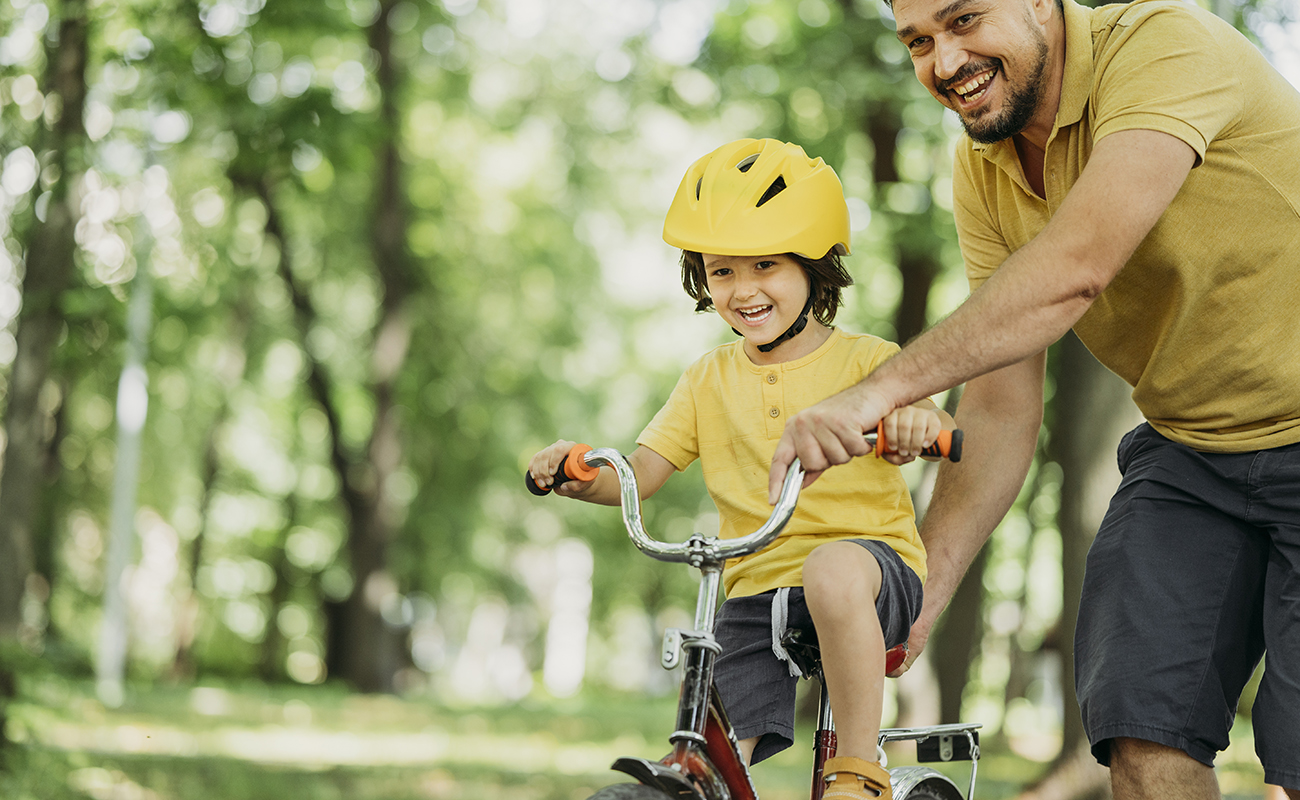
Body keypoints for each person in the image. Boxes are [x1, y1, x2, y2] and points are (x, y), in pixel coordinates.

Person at [766, 0, 1300, 797]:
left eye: (965, 19)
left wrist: (872, 394)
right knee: (1138, 727)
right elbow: (1000, 407)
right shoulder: (984, 168)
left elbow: (1076, 268)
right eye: (918, 41)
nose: (943, 63)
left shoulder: (1163, 44)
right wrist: (921, 588)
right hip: (1192, 453)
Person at [529, 138, 955, 800]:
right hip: (759, 589)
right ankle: (702, 783)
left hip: (873, 573)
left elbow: (937, 426)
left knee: (830, 569)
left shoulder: (871, 362)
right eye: (722, 271)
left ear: (815, 267)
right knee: (716, 737)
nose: (743, 290)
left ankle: (859, 768)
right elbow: (640, 472)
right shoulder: (707, 379)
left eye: (764, 265)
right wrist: (581, 474)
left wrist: (915, 424)